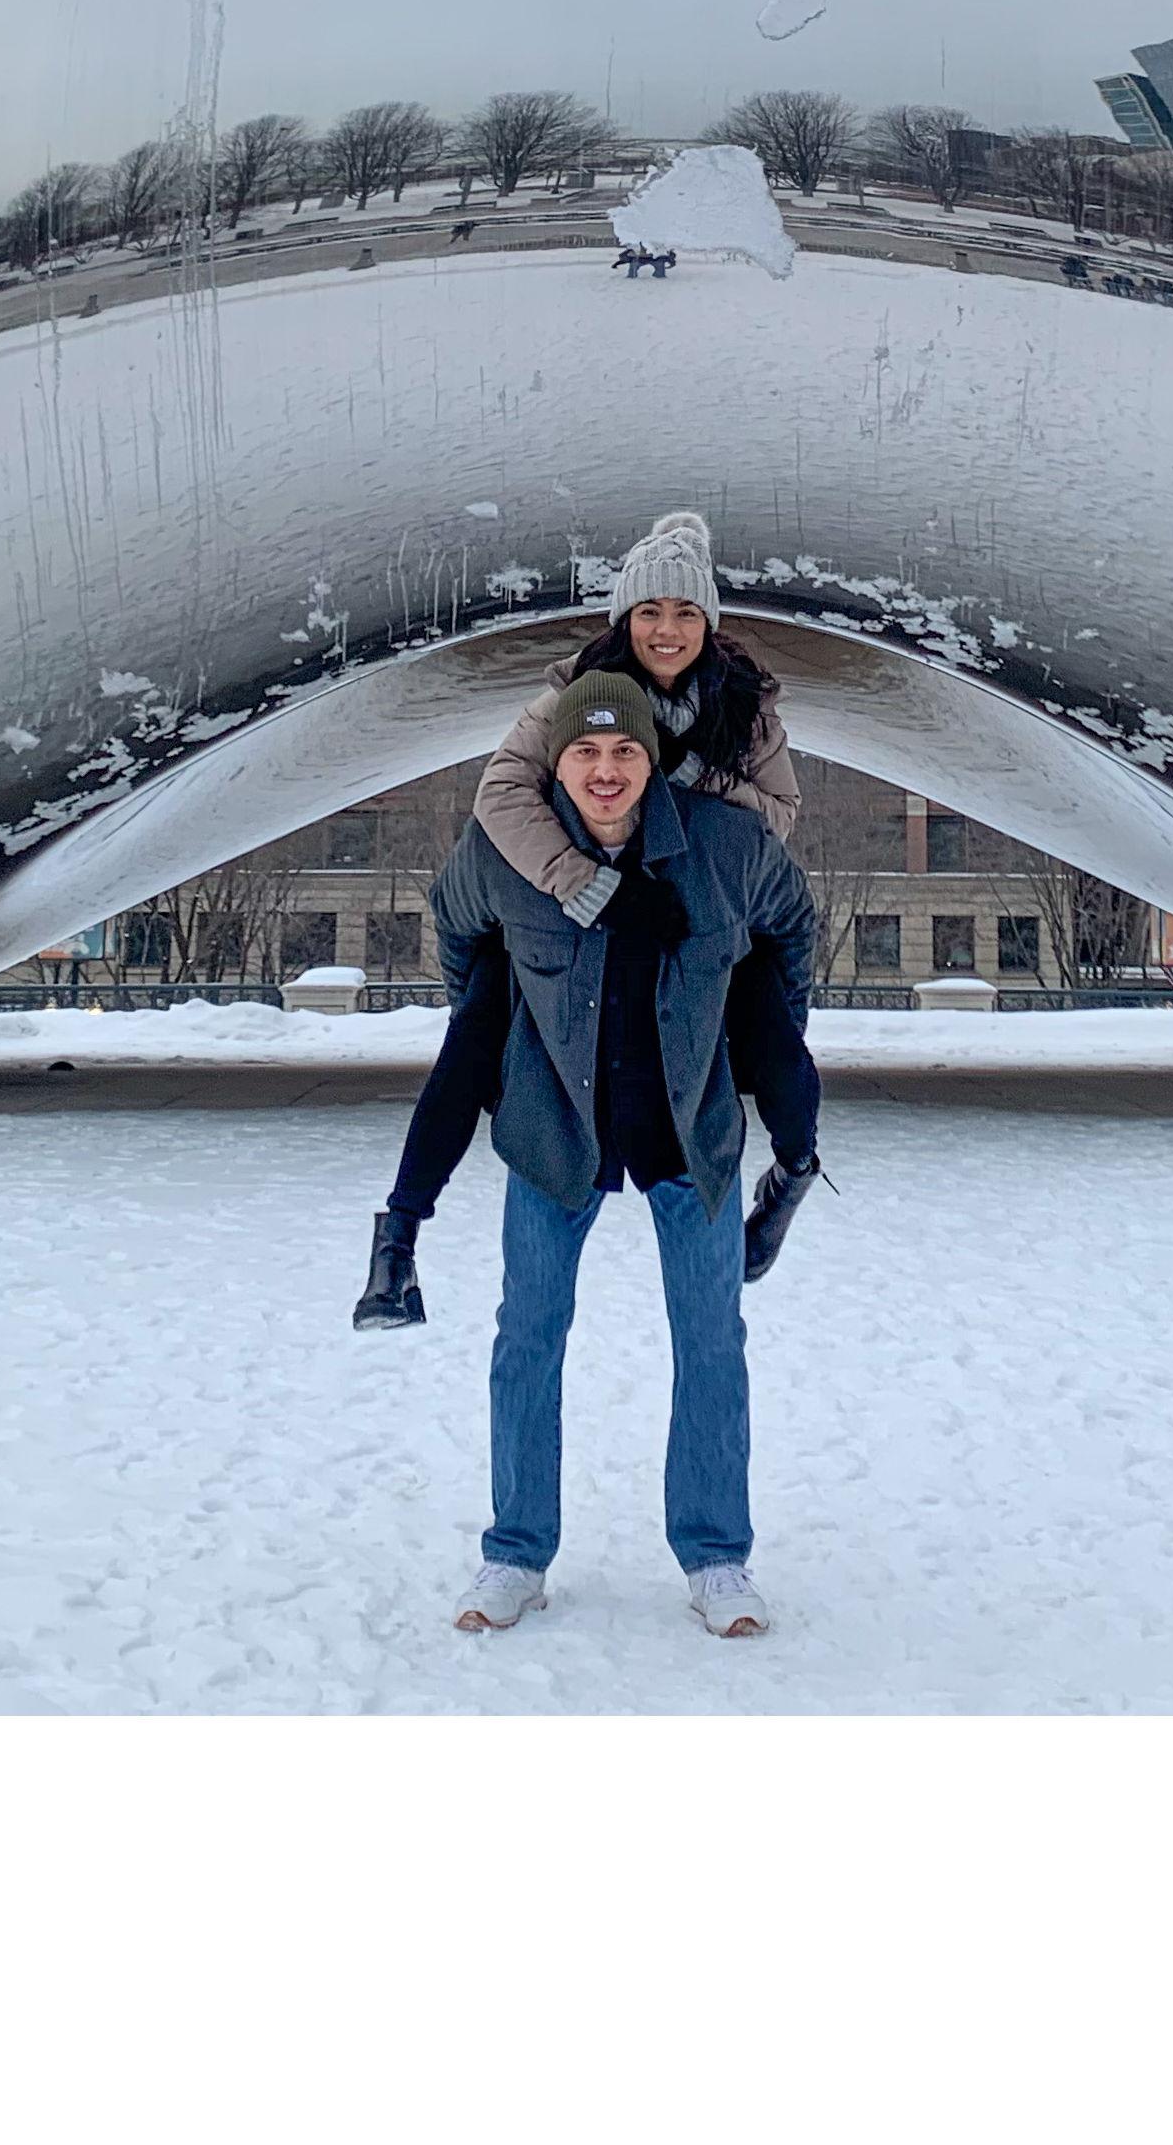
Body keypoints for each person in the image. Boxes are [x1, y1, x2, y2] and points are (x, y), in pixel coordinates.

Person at [355, 511, 822, 1330]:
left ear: (708, 622)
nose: (667, 631)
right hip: (573, 903)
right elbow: (500, 794)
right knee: (481, 1021)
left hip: (693, 901)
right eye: (649, 612)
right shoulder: (577, 695)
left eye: (684, 613)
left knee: (760, 1012)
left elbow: (777, 817)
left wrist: (683, 800)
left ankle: (793, 1171)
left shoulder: (743, 709)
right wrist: (574, 886)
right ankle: (398, 1233)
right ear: (624, 620)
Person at [427, 671, 816, 1637]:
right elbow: (454, 927)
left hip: (692, 1131)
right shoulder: (509, 850)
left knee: (711, 1340)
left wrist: (762, 1037)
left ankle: (717, 1556)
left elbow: (792, 926)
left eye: (626, 752)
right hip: (554, 1130)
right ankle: (515, 1551)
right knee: (529, 1335)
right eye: (586, 752)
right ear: (557, 759)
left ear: (652, 762)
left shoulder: (721, 845)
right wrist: (507, 1036)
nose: (606, 772)